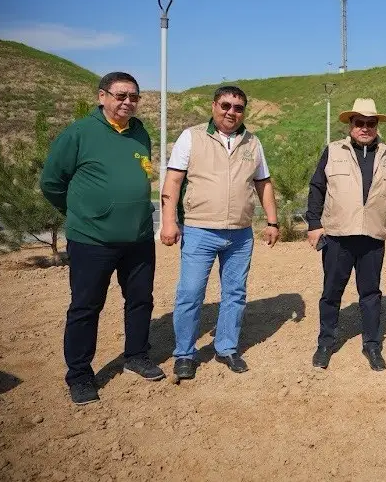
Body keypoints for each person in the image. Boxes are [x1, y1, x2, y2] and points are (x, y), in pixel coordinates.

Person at [41, 72, 164, 405]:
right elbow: (51, 182)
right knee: (86, 306)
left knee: (140, 300)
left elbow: (142, 174)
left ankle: (137, 355)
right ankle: (80, 375)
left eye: (134, 97)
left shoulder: (140, 132)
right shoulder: (79, 134)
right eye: (121, 95)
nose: (127, 102)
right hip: (92, 240)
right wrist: (83, 212)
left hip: (138, 237)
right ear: (102, 97)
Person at [160, 85, 279, 379]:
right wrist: (168, 221)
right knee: (190, 293)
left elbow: (263, 183)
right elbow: (174, 181)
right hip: (200, 230)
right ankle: (185, 354)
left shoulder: (253, 142)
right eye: (225, 105)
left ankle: (226, 347)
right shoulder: (192, 136)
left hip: (240, 234)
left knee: (235, 294)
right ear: (214, 106)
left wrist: (273, 222)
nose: (231, 112)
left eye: (238, 108)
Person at [305, 99, 386, 371]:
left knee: (371, 293)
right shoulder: (333, 151)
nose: (365, 128)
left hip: (372, 236)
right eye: (359, 123)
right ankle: (326, 343)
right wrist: (314, 223)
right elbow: (317, 188)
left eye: (370, 123)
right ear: (350, 125)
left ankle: (372, 345)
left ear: (377, 126)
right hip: (338, 235)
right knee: (331, 292)